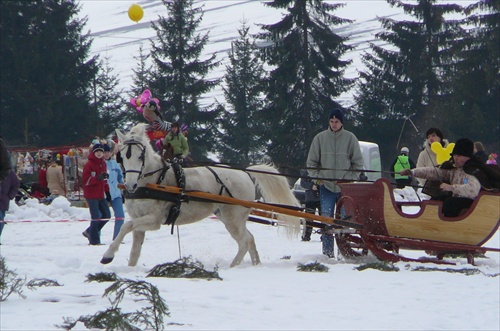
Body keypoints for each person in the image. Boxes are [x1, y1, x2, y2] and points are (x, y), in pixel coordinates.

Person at [306, 108, 364, 258]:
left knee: (344, 223)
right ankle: (327, 255)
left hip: (345, 189)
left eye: (336, 121)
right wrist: (318, 179)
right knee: (326, 220)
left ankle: (344, 252)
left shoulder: (350, 138)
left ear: (341, 122)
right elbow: (311, 163)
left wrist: (349, 179)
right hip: (326, 187)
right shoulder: (319, 138)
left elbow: (357, 164)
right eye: (331, 121)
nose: (334, 124)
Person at [400, 138, 483, 217]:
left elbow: (473, 189)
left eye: (459, 156)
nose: (455, 158)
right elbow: (434, 172)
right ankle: (428, 220)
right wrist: (412, 172)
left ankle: (446, 226)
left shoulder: (473, 171)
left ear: (467, 157)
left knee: (450, 203)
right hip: (455, 199)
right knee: (434, 201)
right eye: (454, 155)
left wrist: (451, 188)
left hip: (472, 203)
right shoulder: (453, 169)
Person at [81, 144, 111, 245]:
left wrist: (107, 192)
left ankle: (90, 231)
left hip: (100, 194)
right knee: (96, 216)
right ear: (94, 153)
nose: (99, 153)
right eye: (97, 151)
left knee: (107, 215)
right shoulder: (89, 164)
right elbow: (86, 180)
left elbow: (104, 181)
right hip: (91, 194)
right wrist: (97, 178)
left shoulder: (103, 163)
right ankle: (94, 240)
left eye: (101, 151)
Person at [103, 142, 125, 240]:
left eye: (108, 152)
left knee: (120, 216)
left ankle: (117, 238)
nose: (106, 154)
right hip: (103, 194)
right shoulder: (100, 164)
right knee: (101, 216)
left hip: (116, 194)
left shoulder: (115, 164)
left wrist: (122, 189)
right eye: (104, 152)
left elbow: (120, 178)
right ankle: (94, 237)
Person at [299, 169, 321, 241]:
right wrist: (311, 186)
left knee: (324, 218)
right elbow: (302, 183)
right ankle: (306, 235)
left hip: (321, 198)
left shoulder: (322, 171)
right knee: (309, 218)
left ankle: (325, 235)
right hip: (310, 198)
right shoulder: (306, 172)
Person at [0, 170, 20, 244]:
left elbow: (16, 184)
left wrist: (9, 196)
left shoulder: (8, 172)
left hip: (3, 201)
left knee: (1, 220)